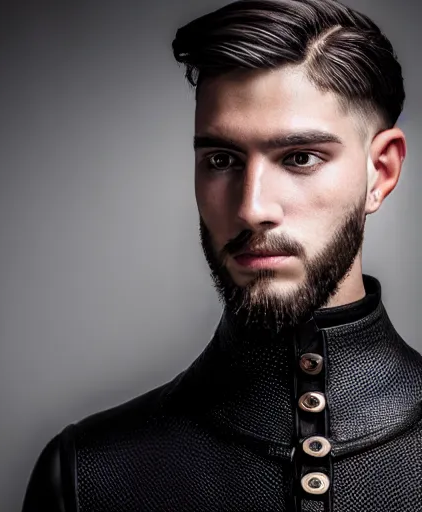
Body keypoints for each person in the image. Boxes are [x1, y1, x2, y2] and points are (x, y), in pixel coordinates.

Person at [21, 1, 422, 510]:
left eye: (299, 158)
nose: (251, 208)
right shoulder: (87, 475)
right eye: (221, 160)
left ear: (380, 173)